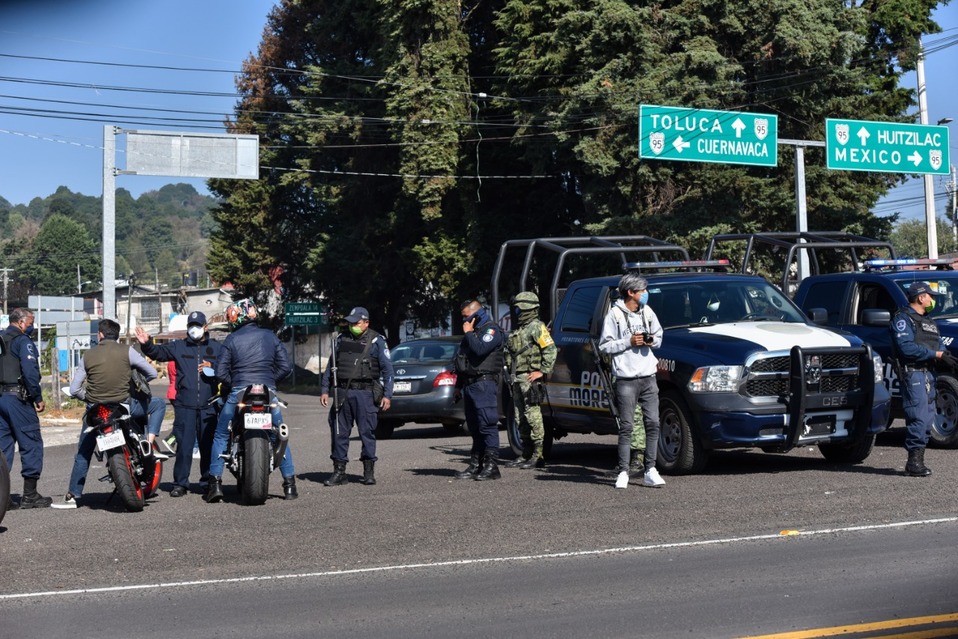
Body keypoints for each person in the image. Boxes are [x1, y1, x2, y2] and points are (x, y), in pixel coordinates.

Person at [54, 319, 168, 509]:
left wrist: (88, 398)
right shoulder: (127, 351)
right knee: (158, 404)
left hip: (96, 411)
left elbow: (74, 389)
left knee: (83, 452)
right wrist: (137, 384)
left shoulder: (88, 355)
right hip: (124, 406)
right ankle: (148, 443)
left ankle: (72, 495)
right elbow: (152, 373)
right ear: (117, 335)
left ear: (99, 334)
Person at [206, 299, 296, 502]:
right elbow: (286, 367)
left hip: (239, 391)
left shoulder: (231, 339)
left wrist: (234, 384)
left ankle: (215, 484)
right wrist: (270, 381)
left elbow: (220, 372)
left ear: (235, 317)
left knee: (221, 434)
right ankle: (290, 485)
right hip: (267, 392)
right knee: (278, 435)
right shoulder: (270, 336)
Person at [135, 310, 223, 497]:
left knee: (207, 446)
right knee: (184, 446)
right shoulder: (179, 346)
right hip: (185, 405)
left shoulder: (216, 348)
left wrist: (213, 367)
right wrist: (146, 344)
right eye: (191, 326)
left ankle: (208, 482)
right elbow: (158, 353)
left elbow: (227, 367)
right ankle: (180, 484)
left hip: (209, 405)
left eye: (197, 325)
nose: (194, 329)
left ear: (205, 327)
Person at [598, 272, 665, 489]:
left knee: (653, 423)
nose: (646, 294)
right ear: (631, 292)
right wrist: (628, 341)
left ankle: (650, 469)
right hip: (626, 379)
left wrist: (650, 340)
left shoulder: (647, 312)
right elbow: (604, 346)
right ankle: (623, 471)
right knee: (626, 426)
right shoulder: (614, 315)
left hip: (648, 376)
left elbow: (659, 337)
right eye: (642, 291)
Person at [320, 307, 394, 486]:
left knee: (367, 432)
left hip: (365, 393)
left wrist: (387, 395)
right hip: (342, 392)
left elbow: (387, 370)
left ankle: (368, 471)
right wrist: (324, 390)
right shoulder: (341, 339)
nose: (352, 325)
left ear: (366, 323)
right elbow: (331, 366)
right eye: (350, 322)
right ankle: (339, 472)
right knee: (339, 432)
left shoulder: (376, 341)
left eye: (356, 322)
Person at [890, 281, 956, 477]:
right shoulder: (903, 319)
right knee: (918, 418)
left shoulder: (929, 322)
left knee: (928, 419)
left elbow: (938, 345)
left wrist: (946, 357)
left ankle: (918, 460)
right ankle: (913, 463)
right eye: (930, 296)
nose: (933, 299)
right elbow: (906, 348)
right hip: (913, 374)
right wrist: (936, 354)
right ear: (921, 297)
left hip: (928, 374)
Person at [0, 308, 52, 509]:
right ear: (21, 323)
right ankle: (30, 495)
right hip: (18, 400)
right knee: (31, 442)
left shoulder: (1, 339)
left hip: (1, 399)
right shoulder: (22, 341)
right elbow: (30, 371)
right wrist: (37, 396)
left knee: (3, 448)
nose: (32, 326)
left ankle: (3, 499)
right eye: (30, 323)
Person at [503, 292, 556, 469]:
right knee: (520, 417)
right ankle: (526, 452)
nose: (517, 312)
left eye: (519, 309)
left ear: (527, 309)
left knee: (533, 415)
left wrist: (542, 371)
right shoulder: (520, 329)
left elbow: (550, 350)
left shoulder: (537, 327)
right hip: (517, 378)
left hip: (529, 378)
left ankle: (538, 454)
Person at [453, 299, 505, 481]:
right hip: (470, 384)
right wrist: (458, 386)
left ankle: (492, 467)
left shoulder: (491, 330)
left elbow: (481, 349)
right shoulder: (472, 333)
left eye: (467, 316)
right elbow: (462, 361)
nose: (464, 321)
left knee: (487, 424)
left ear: (477, 314)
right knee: (474, 427)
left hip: (484, 383)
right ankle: (476, 465)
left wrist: (468, 333)